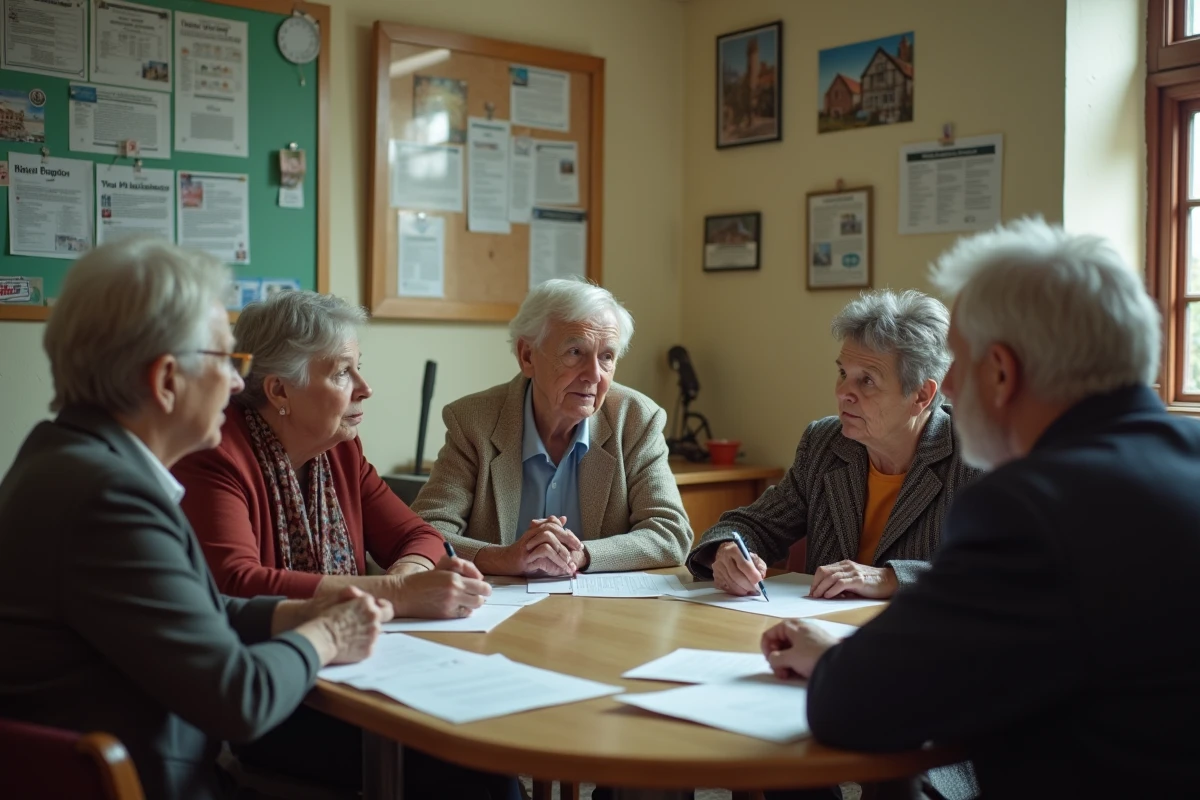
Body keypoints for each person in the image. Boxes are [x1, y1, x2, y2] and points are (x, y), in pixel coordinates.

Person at [763, 218, 1200, 798]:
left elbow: (857, 704)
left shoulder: (1033, 508)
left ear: (1000, 372)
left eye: (957, 366)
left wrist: (834, 658)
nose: (944, 391)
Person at [0, 238, 390, 800]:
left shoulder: (63, 457)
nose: (237, 384)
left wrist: (295, 612)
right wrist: (327, 633)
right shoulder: (110, 500)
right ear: (165, 380)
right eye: (224, 361)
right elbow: (240, 700)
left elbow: (195, 608)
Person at [173, 290, 516, 798]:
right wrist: (396, 595)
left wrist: (407, 575)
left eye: (360, 368)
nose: (365, 388)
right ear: (279, 391)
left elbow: (419, 534)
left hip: (360, 671)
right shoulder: (216, 454)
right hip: (272, 693)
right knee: (475, 770)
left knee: (485, 733)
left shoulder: (340, 450)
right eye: (341, 373)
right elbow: (237, 584)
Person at [688, 290, 981, 603]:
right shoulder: (825, 443)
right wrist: (728, 551)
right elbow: (753, 524)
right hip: (818, 634)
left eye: (866, 380)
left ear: (921, 395)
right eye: (843, 373)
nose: (843, 392)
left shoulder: (975, 456)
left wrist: (890, 577)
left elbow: (996, 571)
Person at [412, 277, 692, 576]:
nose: (594, 375)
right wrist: (502, 558)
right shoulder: (474, 422)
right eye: (575, 353)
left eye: (607, 357)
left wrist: (583, 554)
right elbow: (424, 532)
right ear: (527, 356)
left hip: (602, 613)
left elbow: (670, 534)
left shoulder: (635, 420)